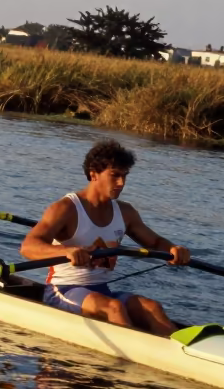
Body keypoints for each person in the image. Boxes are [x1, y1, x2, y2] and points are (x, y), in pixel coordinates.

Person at [20, 140, 190, 336]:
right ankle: (133, 358)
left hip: (102, 291)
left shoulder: (126, 213)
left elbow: (155, 243)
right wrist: (66, 251)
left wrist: (173, 250)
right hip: (63, 290)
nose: (121, 183)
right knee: (114, 309)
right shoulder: (65, 209)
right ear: (93, 174)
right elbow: (28, 246)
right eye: (115, 176)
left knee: (153, 308)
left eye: (124, 176)